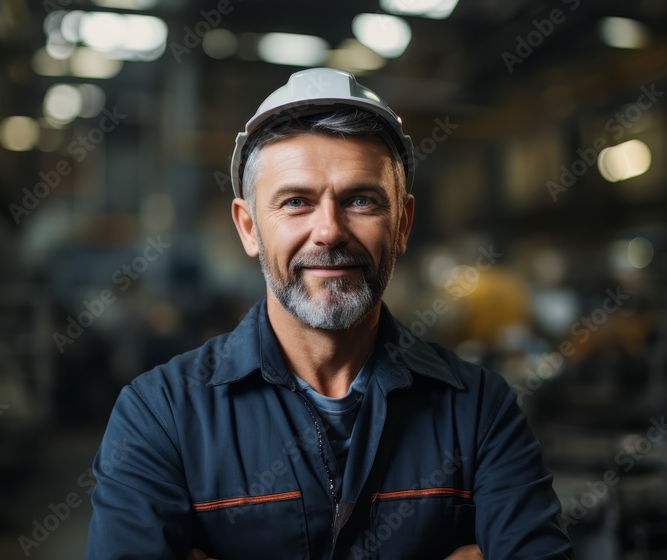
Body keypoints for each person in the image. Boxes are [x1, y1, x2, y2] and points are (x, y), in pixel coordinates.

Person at [85, 67, 574, 559]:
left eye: (360, 200)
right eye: (296, 202)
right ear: (249, 227)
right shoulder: (160, 414)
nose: (329, 231)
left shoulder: (480, 412)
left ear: (402, 224)